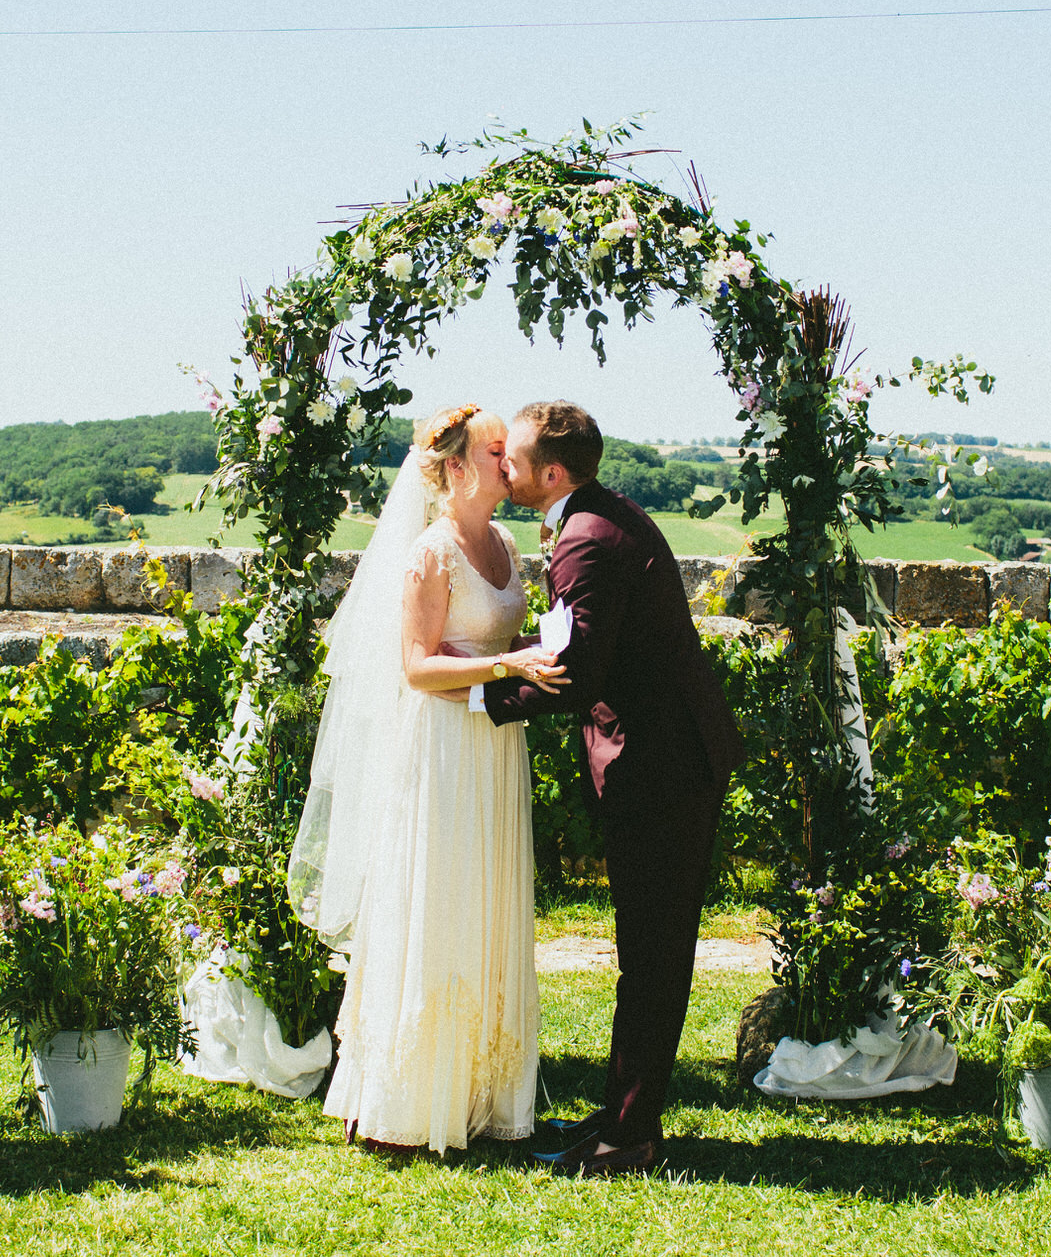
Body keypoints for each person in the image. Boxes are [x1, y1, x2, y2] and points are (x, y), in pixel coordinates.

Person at [476, 400, 745, 1178]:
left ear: (552, 472)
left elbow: (578, 671)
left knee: (652, 957)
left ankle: (630, 1135)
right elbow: (578, 642)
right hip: (674, 757)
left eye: (513, 458)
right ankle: (625, 1112)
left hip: (662, 769)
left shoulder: (586, 538)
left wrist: (476, 695)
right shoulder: (597, 515)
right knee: (650, 953)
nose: (503, 466)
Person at [290, 404, 566, 1156]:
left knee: (488, 897)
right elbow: (416, 667)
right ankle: (412, 1101)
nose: (509, 462)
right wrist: (507, 665)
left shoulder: (504, 542)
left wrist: (541, 650)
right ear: (455, 468)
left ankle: (482, 1092)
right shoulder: (429, 553)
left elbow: (501, 637)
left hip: (495, 746)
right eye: (495, 451)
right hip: (443, 749)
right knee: (438, 900)